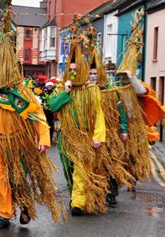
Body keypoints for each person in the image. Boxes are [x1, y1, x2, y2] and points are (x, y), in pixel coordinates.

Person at [0, 0, 65, 230]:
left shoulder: (24, 93)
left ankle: (24, 206)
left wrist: (44, 140)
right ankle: (3, 214)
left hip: (19, 144)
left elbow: (39, 119)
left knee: (17, 179)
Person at [49, 14, 108, 216]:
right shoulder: (61, 88)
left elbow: (98, 114)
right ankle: (75, 193)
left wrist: (98, 137)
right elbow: (52, 106)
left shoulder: (90, 90)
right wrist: (65, 93)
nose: (73, 73)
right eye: (70, 70)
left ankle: (77, 202)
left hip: (84, 137)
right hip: (67, 137)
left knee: (81, 171)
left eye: (76, 70)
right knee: (69, 169)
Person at [114, 9, 165, 186]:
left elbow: (141, 92)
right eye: (122, 77)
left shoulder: (140, 87)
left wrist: (132, 78)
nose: (123, 80)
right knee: (117, 158)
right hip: (119, 128)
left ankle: (131, 176)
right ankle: (117, 183)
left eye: (125, 77)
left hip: (136, 126)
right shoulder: (116, 89)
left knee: (133, 156)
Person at [86, 24, 134, 206]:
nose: (92, 77)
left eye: (94, 74)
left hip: (111, 133)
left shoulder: (111, 91)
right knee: (94, 165)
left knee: (111, 163)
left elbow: (121, 111)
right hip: (92, 134)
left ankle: (111, 192)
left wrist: (123, 129)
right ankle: (95, 191)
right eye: (90, 74)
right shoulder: (86, 92)